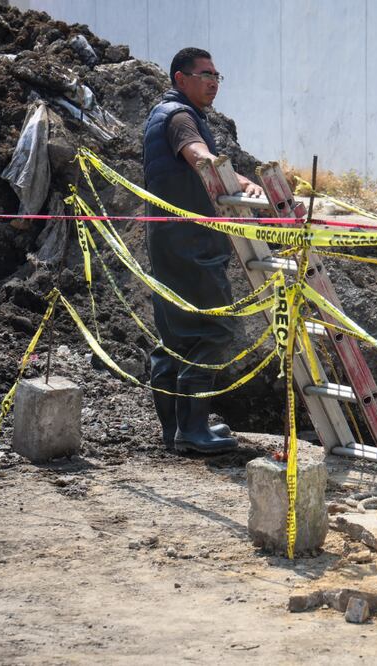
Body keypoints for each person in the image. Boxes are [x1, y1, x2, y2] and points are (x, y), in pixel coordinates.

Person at [142, 47, 263, 454]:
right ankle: (192, 430)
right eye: (204, 74)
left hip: (168, 240)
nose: (213, 81)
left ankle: (175, 430)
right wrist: (216, 166)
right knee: (215, 328)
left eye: (217, 75)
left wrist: (241, 181)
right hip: (192, 243)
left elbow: (202, 162)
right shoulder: (180, 117)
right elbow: (199, 156)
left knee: (175, 335)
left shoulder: (167, 115)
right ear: (180, 79)